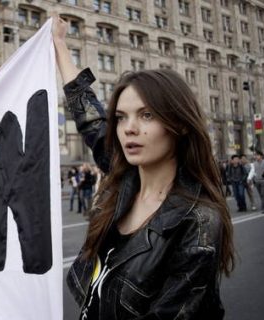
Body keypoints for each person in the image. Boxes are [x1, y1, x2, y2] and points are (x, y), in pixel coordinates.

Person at [52, 15, 234, 319]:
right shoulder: (123, 177)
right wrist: (60, 44)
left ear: (180, 124)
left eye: (146, 115)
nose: (129, 129)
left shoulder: (199, 222)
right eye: (121, 117)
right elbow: (90, 117)